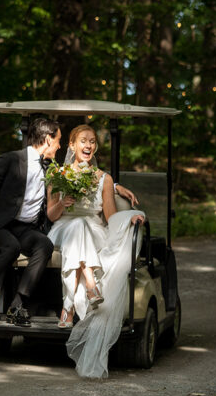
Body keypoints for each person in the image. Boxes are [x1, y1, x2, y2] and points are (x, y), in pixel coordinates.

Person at [47, 124, 145, 379]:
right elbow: (51, 214)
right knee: (77, 224)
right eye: (83, 141)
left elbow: (111, 217)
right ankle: (90, 284)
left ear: (95, 148)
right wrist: (62, 202)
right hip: (63, 229)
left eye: (92, 141)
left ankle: (67, 307)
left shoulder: (105, 179)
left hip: (93, 230)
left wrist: (129, 219)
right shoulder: (58, 174)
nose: (88, 145)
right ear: (72, 145)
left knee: (83, 226)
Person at [0, 116, 62, 326]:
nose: (59, 146)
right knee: (11, 247)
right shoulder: (11, 160)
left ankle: (17, 305)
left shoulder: (51, 168)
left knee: (44, 244)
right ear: (48, 139)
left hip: (26, 229)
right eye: (58, 141)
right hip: (1, 227)